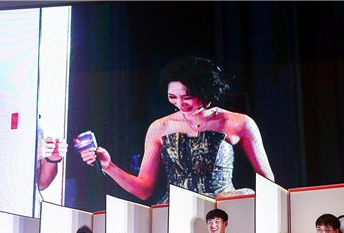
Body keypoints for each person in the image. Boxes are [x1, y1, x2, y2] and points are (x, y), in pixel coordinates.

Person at [80, 56, 275, 204]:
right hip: (175, 212)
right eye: (172, 97)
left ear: (205, 91)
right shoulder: (160, 127)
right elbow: (144, 190)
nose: (181, 104)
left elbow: (268, 182)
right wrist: (108, 166)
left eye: (187, 97)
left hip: (225, 211)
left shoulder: (239, 122)